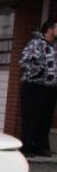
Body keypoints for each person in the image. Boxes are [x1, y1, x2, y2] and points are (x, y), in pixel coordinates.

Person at [19, 21, 57, 157]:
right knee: (31, 117)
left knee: (45, 118)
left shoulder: (55, 46)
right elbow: (24, 61)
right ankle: (27, 147)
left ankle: (40, 147)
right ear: (50, 29)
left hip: (50, 88)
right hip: (34, 86)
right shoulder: (36, 43)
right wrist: (39, 71)